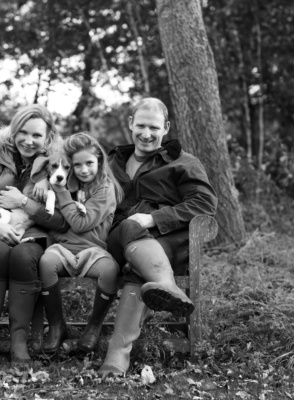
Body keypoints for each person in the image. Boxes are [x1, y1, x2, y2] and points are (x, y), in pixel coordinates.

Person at [98, 97, 217, 377]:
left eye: (153, 127)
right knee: (128, 226)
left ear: (166, 127)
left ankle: (116, 359)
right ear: (130, 124)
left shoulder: (183, 162)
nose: (146, 134)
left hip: (167, 245)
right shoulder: (111, 162)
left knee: (139, 273)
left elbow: (205, 204)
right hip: (117, 241)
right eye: (140, 125)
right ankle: (167, 286)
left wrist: (153, 218)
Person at [0, 104, 68, 369]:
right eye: (23, 132)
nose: (29, 141)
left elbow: (62, 220)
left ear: (48, 136)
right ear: (13, 131)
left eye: (37, 135)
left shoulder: (57, 166)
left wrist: (24, 203)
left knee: (22, 256)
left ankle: (19, 343)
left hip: (36, 236)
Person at [38, 132, 123, 354]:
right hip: (62, 248)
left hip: (93, 250)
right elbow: (53, 173)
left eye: (89, 163)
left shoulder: (104, 188)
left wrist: (61, 193)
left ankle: (94, 326)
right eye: (77, 165)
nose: (84, 170)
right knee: (45, 263)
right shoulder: (68, 181)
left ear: (100, 162)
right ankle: (57, 325)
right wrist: (45, 181)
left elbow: (81, 224)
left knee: (110, 270)